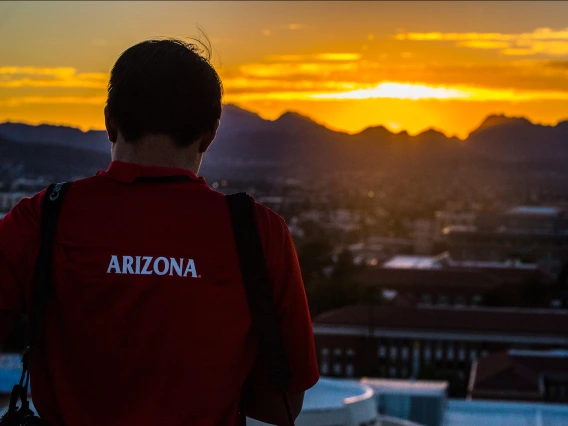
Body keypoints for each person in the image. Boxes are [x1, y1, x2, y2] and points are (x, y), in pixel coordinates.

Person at [0, 38, 319, 425]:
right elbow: (282, 405)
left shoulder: (42, 217)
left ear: (109, 122)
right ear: (210, 134)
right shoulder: (258, 232)